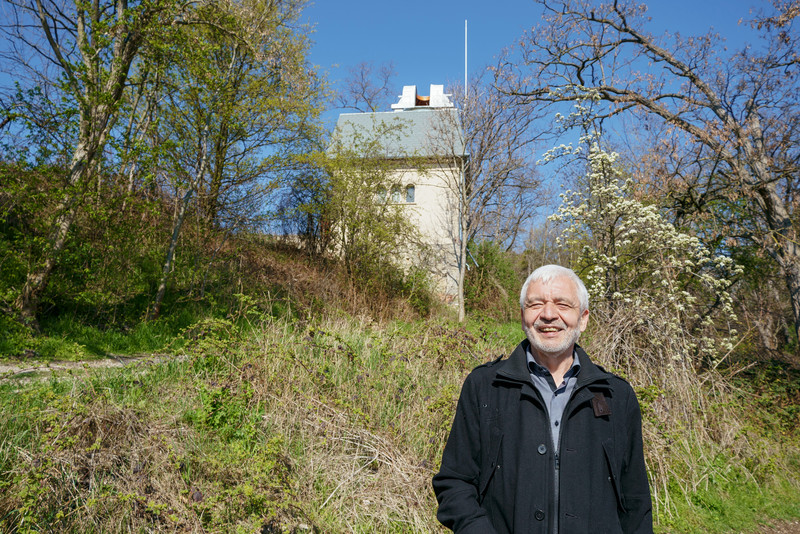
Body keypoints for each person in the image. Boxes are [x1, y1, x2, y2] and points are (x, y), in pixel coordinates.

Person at [432, 264, 653, 534]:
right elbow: (455, 482)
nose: (548, 314)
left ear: (583, 318)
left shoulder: (617, 395)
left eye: (562, 304)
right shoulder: (484, 387)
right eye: (535, 304)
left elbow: (636, 500)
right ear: (522, 315)